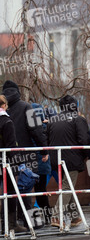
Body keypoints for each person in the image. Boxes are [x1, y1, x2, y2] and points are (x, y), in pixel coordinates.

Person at [2, 80, 48, 225]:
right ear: (18, 92)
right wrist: (44, 150)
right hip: (25, 155)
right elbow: (37, 131)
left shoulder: (2, 109)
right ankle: (31, 222)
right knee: (26, 188)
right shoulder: (26, 107)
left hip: (5, 157)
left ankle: (8, 222)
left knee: (8, 191)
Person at [47, 95, 90, 228]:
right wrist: (86, 156)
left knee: (67, 186)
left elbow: (47, 140)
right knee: (67, 187)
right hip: (72, 159)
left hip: (55, 159)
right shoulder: (78, 119)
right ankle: (56, 216)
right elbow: (84, 140)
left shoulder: (52, 120)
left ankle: (74, 217)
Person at [0, 95, 26, 232]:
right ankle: (10, 225)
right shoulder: (6, 121)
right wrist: (17, 164)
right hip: (6, 163)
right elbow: (11, 145)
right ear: (4, 105)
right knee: (10, 193)